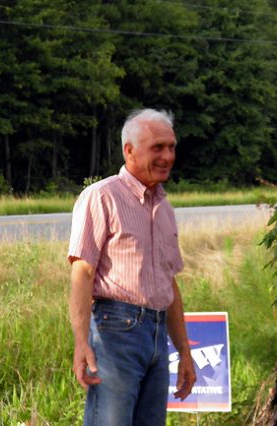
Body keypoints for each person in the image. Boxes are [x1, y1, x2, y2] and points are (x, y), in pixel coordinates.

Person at [67, 108, 196, 425]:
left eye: (171, 147)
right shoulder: (102, 196)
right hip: (116, 331)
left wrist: (184, 352)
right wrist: (82, 343)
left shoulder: (163, 207)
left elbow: (170, 284)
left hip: (156, 332)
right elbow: (82, 272)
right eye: (158, 148)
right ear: (129, 150)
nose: (167, 156)